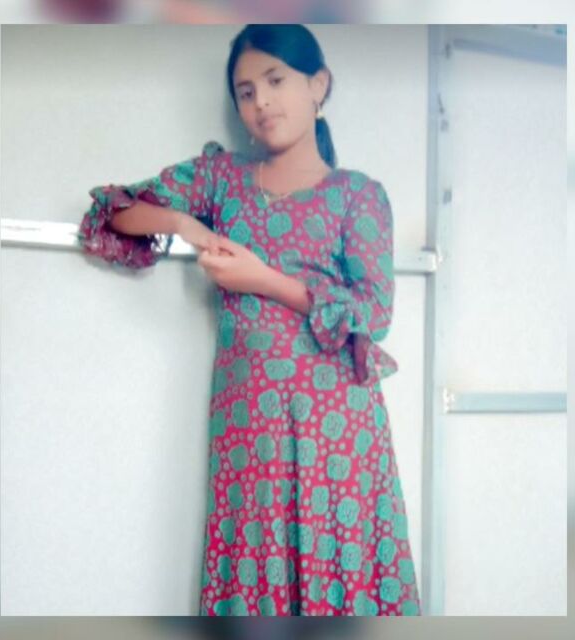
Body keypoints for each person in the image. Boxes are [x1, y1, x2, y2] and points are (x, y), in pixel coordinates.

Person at [77, 24, 421, 617]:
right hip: (249, 429)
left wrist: (262, 279)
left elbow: (374, 312)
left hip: (338, 432)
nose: (261, 101)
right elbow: (115, 211)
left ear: (318, 85)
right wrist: (183, 224)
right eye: (245, 91)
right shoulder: (222, 180)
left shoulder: (358, 195)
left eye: (275, 80)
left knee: (341, 573)